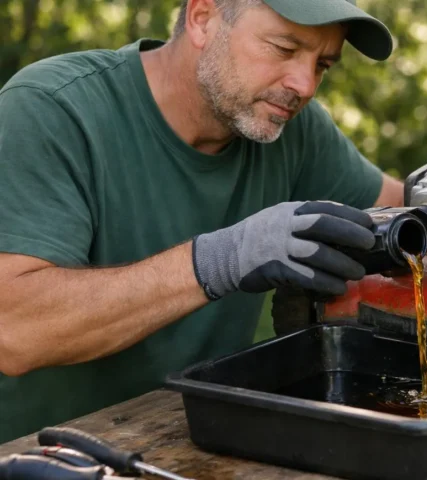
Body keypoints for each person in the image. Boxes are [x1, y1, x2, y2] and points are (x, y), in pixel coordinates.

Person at [0, 0, 404, 442]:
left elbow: (401, 211)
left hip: (195, 446)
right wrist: (221, 258)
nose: (305, 84)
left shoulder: (292, 130)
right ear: (202, 18)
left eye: (322, 64)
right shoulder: (52, 110)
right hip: (41, 457)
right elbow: (14, 331)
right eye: (284, 48)